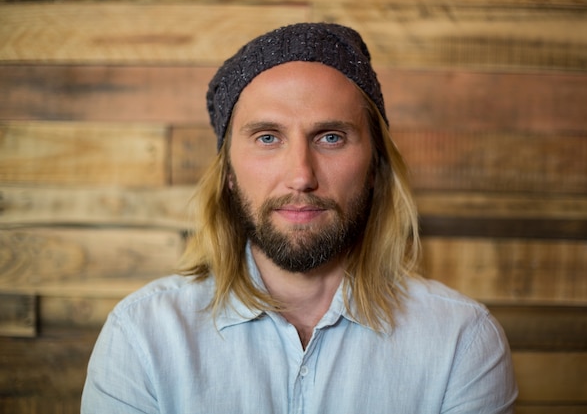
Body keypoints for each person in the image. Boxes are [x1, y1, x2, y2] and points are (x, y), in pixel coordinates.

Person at [82, 22, 517, 413]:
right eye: (267, 137)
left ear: (375, 166)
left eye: (331, 137)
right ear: (228, 173)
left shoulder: (460, 341)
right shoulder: (142, 337)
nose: (301, 176)